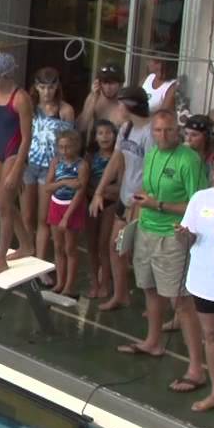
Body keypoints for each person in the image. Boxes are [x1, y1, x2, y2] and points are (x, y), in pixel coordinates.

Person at [118, 111, 207, 399]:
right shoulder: (153, 154)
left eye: (168, 130)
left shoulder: (189, 160)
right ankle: (152, 341)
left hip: (172, 236)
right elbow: (145, 190)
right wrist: (134, 218)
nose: (163, 136)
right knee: (150, 289)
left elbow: (198, 205)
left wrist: (159, 205)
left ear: (177, 132)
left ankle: (196, 368)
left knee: (181, 302)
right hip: (146, 229)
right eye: (158, 131)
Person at [178, 150, 214, 412]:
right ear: (213, 173)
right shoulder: (200, 198)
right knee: (212, 335)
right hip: (204, 279)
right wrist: (182, 235)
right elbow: (188, 237)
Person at [89, 87, 155, 311]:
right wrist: (99, 190)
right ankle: (120, 294)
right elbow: (116, 160)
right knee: (115, 247)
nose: (117, 108)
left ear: (130, 106)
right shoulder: (126, 129)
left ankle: (154, 303)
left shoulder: (150, 133)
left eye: (120, 104)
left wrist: (138, 203)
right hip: (125, 199)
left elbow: (151, 172)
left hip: (142, 201)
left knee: (143, 255)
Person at [0, 53, 36, 277]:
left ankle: (0, 259)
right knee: (6, 204)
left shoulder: (21, 99)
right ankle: (26, 245)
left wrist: (18, 169)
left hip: (13, 153)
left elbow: (26, 138)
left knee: (2, 206)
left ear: (8, 76)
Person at [23, 68, 75, 282]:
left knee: (43, 219)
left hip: (50, 168)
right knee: (27, 217)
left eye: (51, 87)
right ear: (36, 87)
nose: (47, 92)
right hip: (29, 164)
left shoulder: (65, 111)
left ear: (57, 87)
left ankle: (40, 266)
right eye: (43, 87)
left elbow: (68, 144)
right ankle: (27, 260)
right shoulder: (30, 107)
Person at [45, 130, 89, 297]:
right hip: (56, 205)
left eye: (68, 147)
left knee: (70, 248)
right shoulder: (56, 162)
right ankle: (60, 281)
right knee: (58, 246)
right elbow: (47, 187)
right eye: (61, 147)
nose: (64, 151)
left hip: (72, 208)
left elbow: (80, 192)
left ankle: (69, 285)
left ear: (76, 146)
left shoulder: (82, 165)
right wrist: (63, 182)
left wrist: (67, 216)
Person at [86, 119, 120, 299]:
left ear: (115, 136)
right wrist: (95, 191)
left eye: (109, 133)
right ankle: (95, 282)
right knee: (91, 245)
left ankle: (105, 282)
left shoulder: (118, 156)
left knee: (104, 245)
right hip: (91, 201)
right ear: (95, 137)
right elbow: (85, 182)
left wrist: (103, 190)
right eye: (101, 133)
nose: (105, 137)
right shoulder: (91, 157)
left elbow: (120, 187)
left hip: (110, 204)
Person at [78, 62, 125, 142]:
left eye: (112, 83)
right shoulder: (93, 97)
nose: (108, 87)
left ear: (120, 84)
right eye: (105, 83)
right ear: (99, 83)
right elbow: (81, 127)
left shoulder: (125, 104)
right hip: (95, 149)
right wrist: (94, 99)